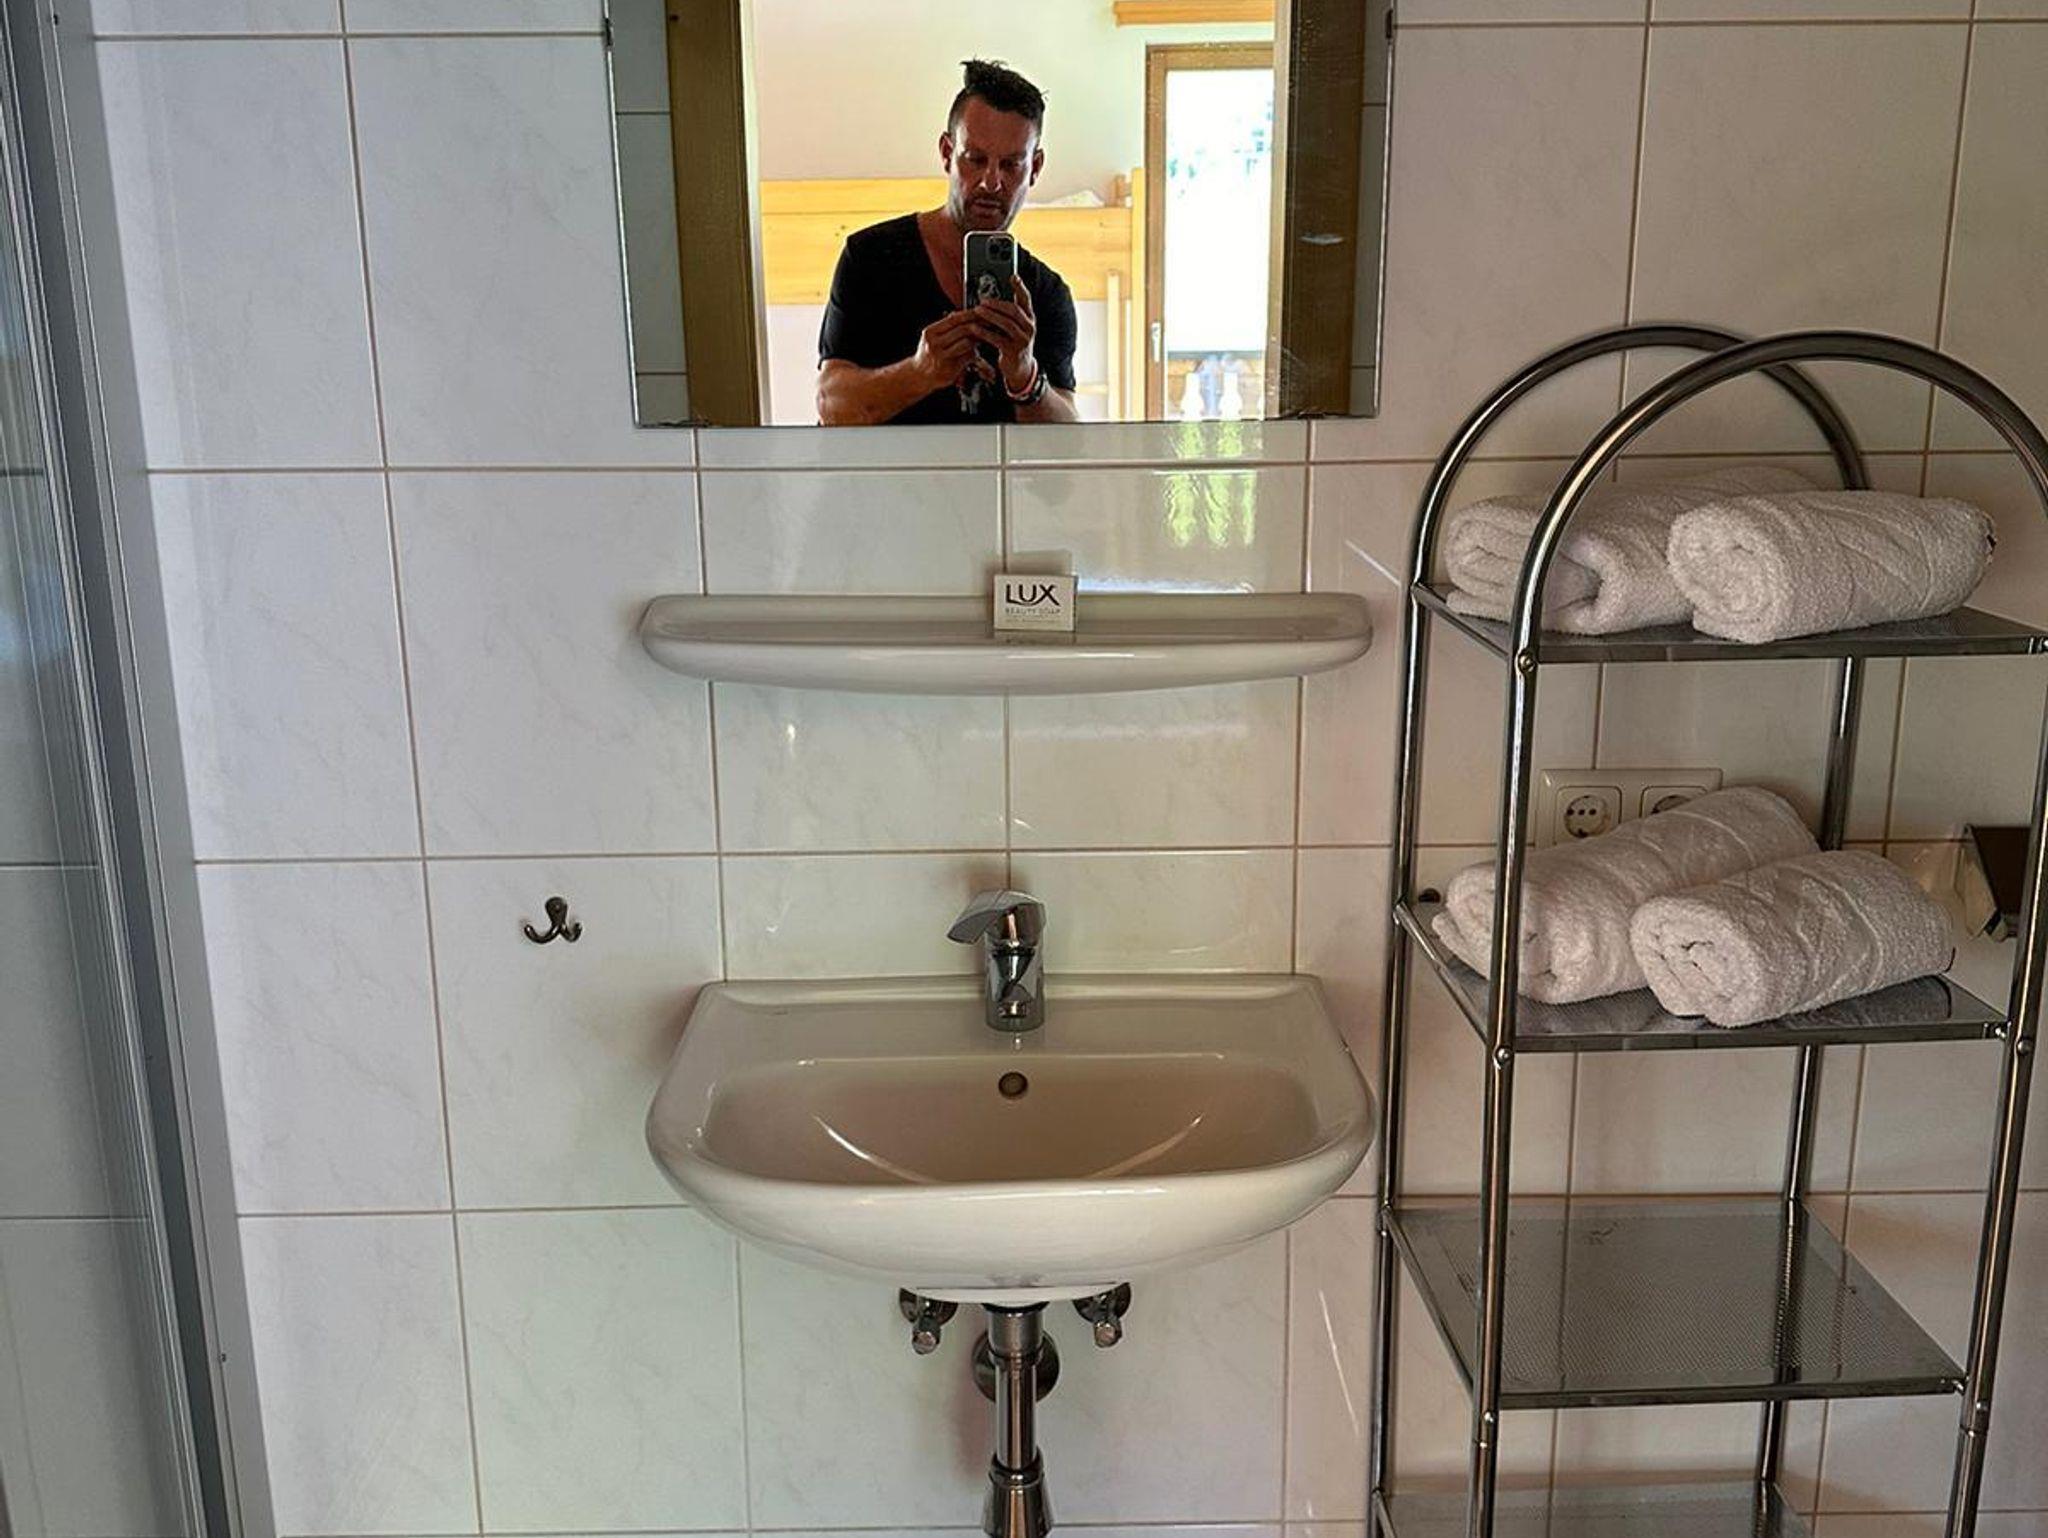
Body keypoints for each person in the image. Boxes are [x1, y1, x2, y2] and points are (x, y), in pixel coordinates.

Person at [816, 60, 1081, 425]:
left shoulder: (1046, 293)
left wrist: (1025, 376)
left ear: (1034, 168)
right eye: (975, 159)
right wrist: (920, 372)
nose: (991, 182)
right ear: (946, 153)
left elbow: (1068, 440)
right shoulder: (872, 258)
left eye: (1011, 165)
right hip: (889, 467)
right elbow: (830, 405)